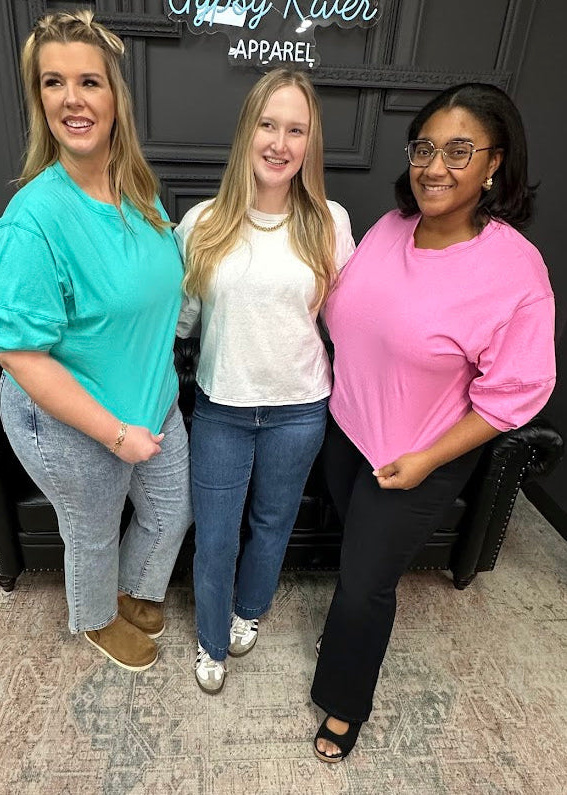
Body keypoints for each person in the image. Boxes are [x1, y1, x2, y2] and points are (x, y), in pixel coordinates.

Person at [311, 82, 556, 761]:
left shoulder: (515, 270)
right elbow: (348, 316)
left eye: (458, 150)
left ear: (494, 163)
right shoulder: (392, 227)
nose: (435, 166)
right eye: (425, 148)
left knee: (366, 584)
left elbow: (518, 390)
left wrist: (425, 461)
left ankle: (343, 702)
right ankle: (347, 633)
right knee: (354, 555)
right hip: (347, 430)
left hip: (418, 454)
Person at [0, 10, 192, 672]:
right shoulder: (32, 222)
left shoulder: (138, 189)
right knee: (92, 533)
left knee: (169, 510)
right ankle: (95, 617)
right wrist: (114, 433)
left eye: (90, 81)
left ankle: (136, 589)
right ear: (39, 99)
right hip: (70, 420)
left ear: (115, 97)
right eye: (53, 82)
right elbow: (19, 356)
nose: (73, 97)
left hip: (152, 398)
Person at [175, 69, 355, 693]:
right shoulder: (202, 223)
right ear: (248, 131)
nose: (280, 142)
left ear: (310, 143)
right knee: (216, 532)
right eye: (268, 125)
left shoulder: (330, 222)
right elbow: (182, 321)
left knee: (273, 522)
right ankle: (210, 639)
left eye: (295, 129)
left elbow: (349, 321)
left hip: (301, 409)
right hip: (222, 406)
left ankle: (249, 611)